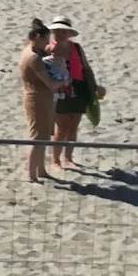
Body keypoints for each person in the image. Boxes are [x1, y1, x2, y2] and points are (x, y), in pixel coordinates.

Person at [19, 19, 72, 183]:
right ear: (37, 37)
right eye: (45, 40)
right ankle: (31, 175)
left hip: (43, 98)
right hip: (37, 99)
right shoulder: (33, 57)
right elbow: (50, 83)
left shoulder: (32, 50)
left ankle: (40, 170)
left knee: (44, 137)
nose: (47, 44)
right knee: (37, 138)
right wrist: (64, 81)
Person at [48, 19, 98, 171]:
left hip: (79, 87)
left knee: (73, 125)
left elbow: (86, 68)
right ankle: (55, 160)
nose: (61, 34)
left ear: (69, 33)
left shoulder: (76, 47)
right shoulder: (49, 48)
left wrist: (94, 86)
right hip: (60, 90)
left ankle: (68, 158)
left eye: (64, 31)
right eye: (57, 31)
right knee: (62, 127)